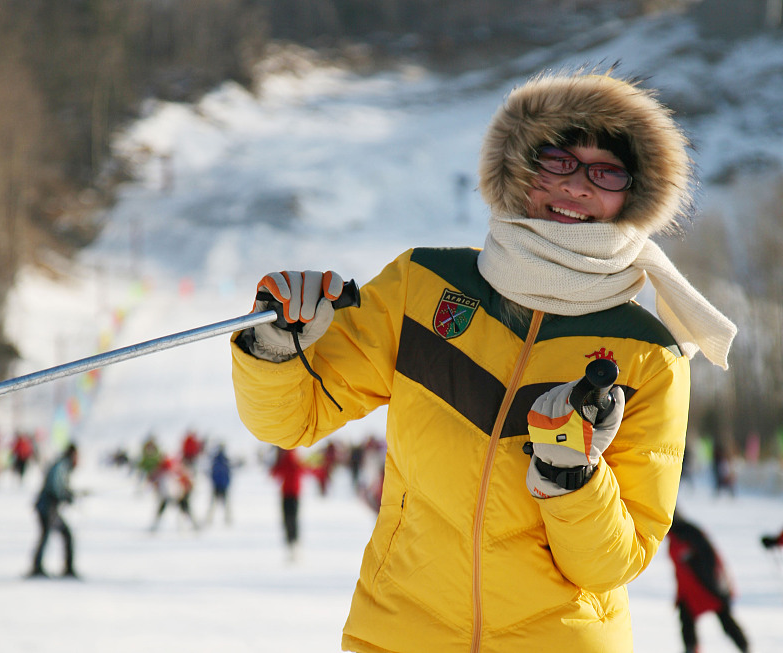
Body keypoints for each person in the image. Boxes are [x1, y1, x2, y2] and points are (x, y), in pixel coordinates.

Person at [231, 68, 738, 652]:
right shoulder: (422, 285)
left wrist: (567, 476)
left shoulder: (648, 352)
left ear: (633, 195)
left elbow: (612, 565)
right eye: (558, 160)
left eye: (606, 172)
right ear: (520, 171)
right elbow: (289, 420)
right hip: (401, 633)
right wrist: (277, 342)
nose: (576, 186)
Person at [667, 512, 749, 653]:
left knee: (724, 617)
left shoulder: (689, 532)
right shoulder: (674, 536)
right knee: (687, 621)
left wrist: (714, 582)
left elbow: (709, 557)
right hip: (688, 590)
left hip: (705, 585)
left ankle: (745, 647)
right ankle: (691, 649)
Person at [29, 443, 79, 578]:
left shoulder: (60, 464)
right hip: (47, 507)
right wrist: (67, 496)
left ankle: (37, 566)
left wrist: (69, 494)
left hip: (46, 506)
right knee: (63, 534)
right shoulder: (62, 465)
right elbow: (57, 487)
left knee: (47, 536)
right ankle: (65, 568)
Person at [270, 447, 307, 560]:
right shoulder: (296, 459)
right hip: (294, 494)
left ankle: (291, 545)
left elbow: (274, 473)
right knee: (293, 520)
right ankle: (294, 545)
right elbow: (304, 470)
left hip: (287, 494)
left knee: (288, 520)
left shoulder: (285, 459)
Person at [206, 444, 234, 525]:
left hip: (217, 485)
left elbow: (212, 473)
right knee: (224, 504)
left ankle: (210, 519)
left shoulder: (215, 460)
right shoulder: (225, 460)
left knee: (213, 503)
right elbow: (228, 474)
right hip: (223, 485)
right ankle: (227, 519)